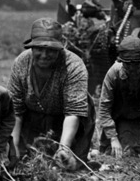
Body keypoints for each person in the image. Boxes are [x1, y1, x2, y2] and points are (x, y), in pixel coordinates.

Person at [7, 18, 96, 170]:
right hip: (34, 118)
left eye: (51, 50)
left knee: (68, 166)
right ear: (32, 47)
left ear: (61, 48)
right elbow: (16, 110)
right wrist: (13, 146)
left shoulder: (73, 66)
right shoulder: (21, 63)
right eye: (39, 49)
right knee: (27, 162)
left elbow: (73, 113)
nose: (44, 54)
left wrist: (64, 148)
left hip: (68, 121)